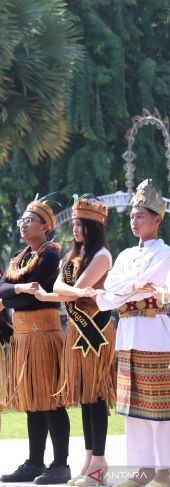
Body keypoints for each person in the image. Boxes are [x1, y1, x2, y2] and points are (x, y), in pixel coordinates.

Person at [30, 197, 116, 486]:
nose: (75, 229)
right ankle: (90, 458)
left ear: (93, 227)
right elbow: (63, 290)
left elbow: (75, 290)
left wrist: (63, 292)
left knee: (97, 394)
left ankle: (100, 463)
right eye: (75, 224)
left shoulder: (102, 255)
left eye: (81, 224)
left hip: (96, 333)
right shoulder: (73, 257)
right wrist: (51, 294)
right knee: (85, 397)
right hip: (77, 332)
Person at [95, 179, 170, 487]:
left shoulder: (165, 254)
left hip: (155, 333)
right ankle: (141, 471)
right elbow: (106, 293)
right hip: (127, 334)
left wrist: (127, 287)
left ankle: (165, 470)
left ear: (157, 219)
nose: (135, 221)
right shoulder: (125, 255)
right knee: (132, 408)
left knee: (160, 406)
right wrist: (132, 287)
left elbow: (130, 286)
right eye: (132, 216)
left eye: (141, 216)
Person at [0, 197, 71, 485]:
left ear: (45, 226)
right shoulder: (19, 256)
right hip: (24, 336)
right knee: (32, 400)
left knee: (50, 399)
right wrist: (19, 288)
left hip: (43, 334)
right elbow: (3, 290)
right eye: (22, 220)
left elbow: (28, 298)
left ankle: (60, 464)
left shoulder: (50, 255)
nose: (23, 225)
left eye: (30, 220)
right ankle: (34, 461)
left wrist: (16, 294)